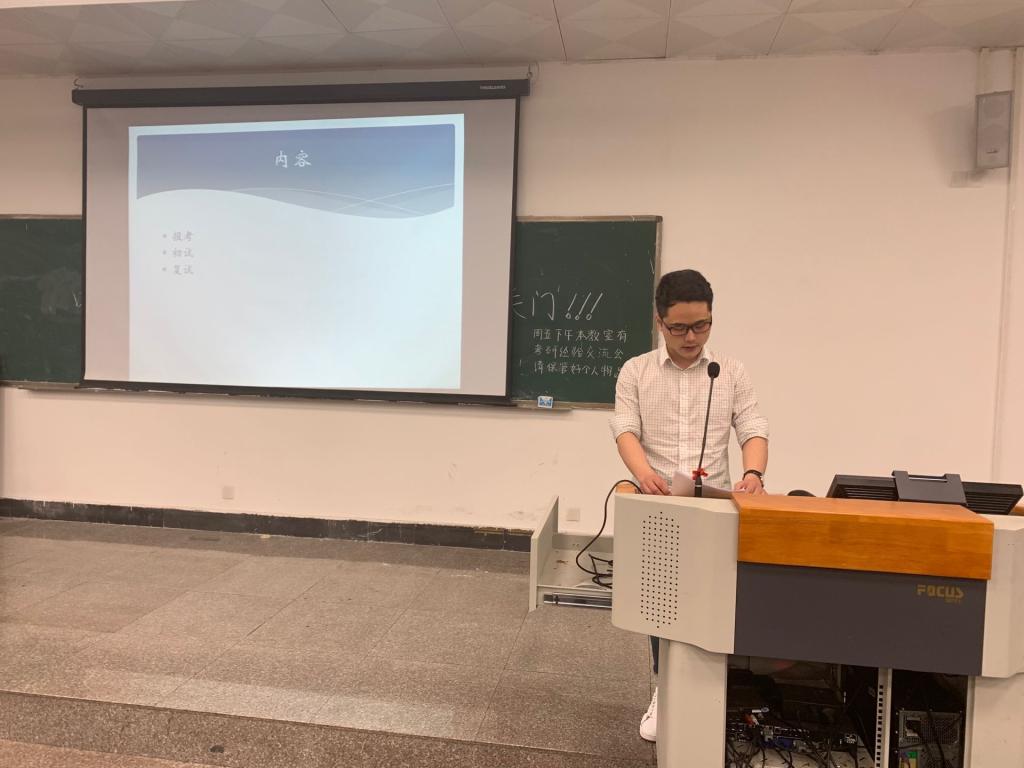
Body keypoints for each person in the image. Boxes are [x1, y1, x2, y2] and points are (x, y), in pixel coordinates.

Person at [610, 269, 769, 742]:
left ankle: (712, 692)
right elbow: (625, 429)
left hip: (714, 508)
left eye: (701, 325)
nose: (691, 338)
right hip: (658, 507)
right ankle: (666, 688)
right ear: (659, 322)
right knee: (660, 605)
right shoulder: (636, 371)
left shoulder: (730, 372)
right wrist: (643, 473)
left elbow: (753, 426)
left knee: (712, 602)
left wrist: (754, 474)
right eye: (679, 328)